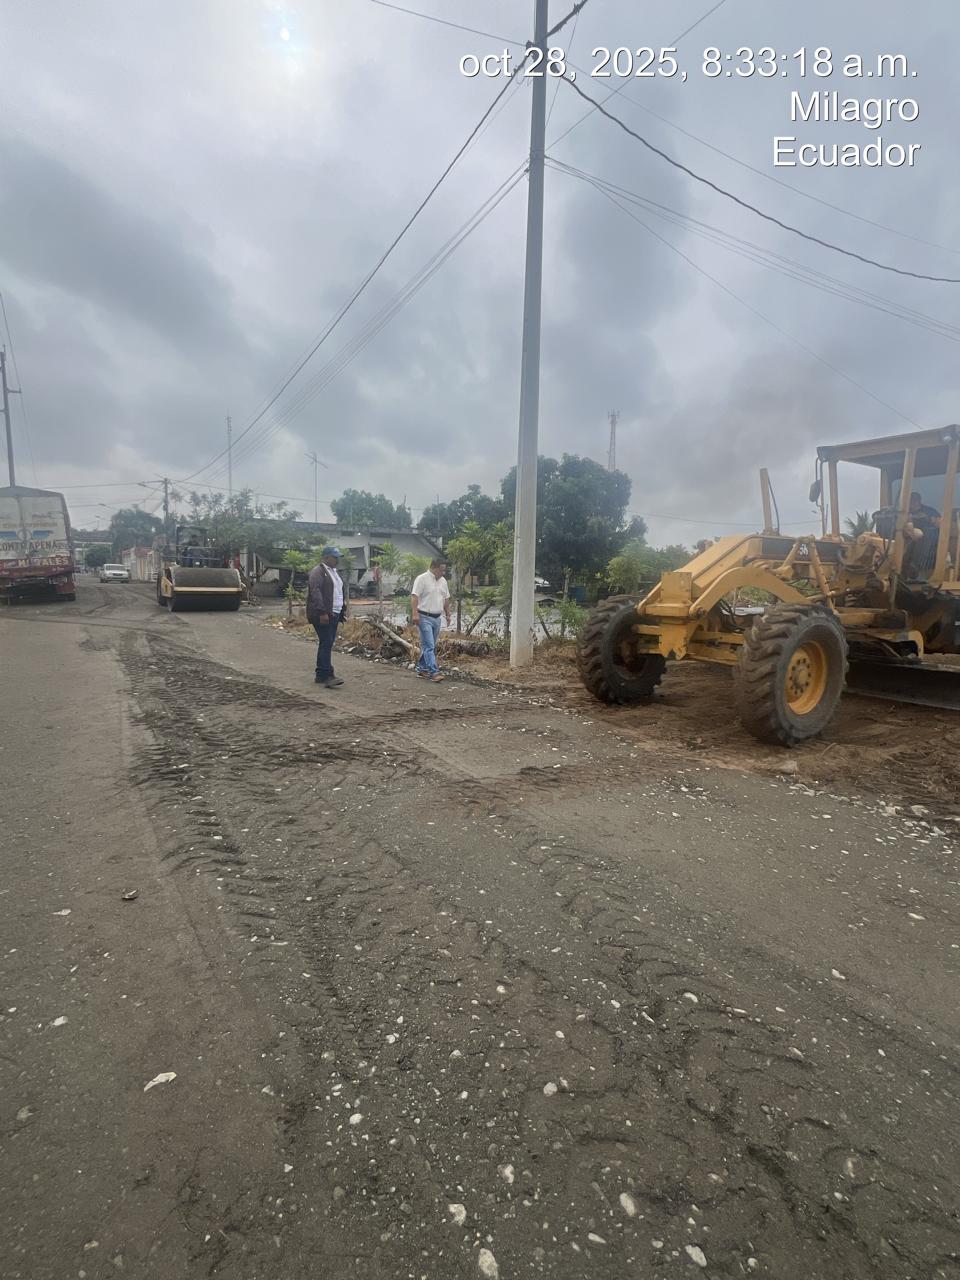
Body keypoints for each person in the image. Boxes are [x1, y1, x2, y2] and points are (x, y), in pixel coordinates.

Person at [306, 546, 348, 687]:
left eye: (337, 557)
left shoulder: (334, 572)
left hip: (334, 613)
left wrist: (342, 610)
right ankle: (327, 675)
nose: (337, 560)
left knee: (326, 643)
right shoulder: (318, 572)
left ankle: (321, 674)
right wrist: (322, 612)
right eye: (334, 557)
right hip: (323, 614)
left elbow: (338, 592)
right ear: (326, 558)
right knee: (326, 642)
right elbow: (315, 592)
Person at [411, 558, 451, 682]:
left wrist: (448, 614)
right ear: (433, 567)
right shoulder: (422, 579)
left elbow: (446, 599)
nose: (443, 573)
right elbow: (414, 597)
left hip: (437, 617)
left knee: (430, 645)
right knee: (429, 645)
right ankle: (434, 672)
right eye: (441, 570)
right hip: (424, 616)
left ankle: (422, 669)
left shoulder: (443, 581)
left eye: (444, 570)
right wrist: (415, 614)